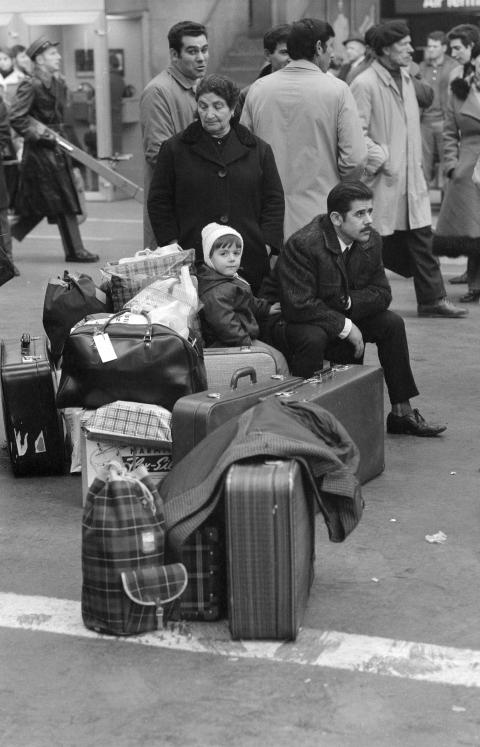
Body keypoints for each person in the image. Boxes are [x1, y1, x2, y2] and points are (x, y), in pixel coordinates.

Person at [274, 181, 446, 437]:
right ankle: (304, 420)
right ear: (336, 218)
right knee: (314, 336)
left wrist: (348, 303)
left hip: (340, 312)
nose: (369, 220)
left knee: (392, 324)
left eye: (370, 211)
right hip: (297, 319)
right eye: (359, 214)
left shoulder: (370, 240)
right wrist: (346, 326)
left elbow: (382, 294)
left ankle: (402, 413)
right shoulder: (304, 244)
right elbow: (298, 304)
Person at [350, 21, 466, 318]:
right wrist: (382, 159)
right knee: (374, 244)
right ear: (385, 49)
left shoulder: (406, 77)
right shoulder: (364, 83)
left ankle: (432, 299)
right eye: (403, 45)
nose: (410, 49)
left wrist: (411, 73)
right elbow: (356, 133)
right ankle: (362, 302)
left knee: (422, 240)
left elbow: (427, 98)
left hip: (411, 178)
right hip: (385, 180)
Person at [147, 74, 284, 294]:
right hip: (193, 256)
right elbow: (159, 201)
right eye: (203, 106)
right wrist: (172, 246)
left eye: (218, 106)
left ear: (232, 109)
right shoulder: (175, 149)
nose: (209, 114)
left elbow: (274, 200)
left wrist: (266, 245)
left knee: (250, 318)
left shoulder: (259, 150)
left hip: (246, 255)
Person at [240, 18, 367, 241]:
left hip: (266, 215)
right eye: (331, 47)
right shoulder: (337, 90)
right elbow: (354, 160)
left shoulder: (258, 90)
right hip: (322, 212)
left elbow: (242, 152)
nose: (333, 55)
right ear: (319, 47)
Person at [8, 37, 98, 263]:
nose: (58, 57)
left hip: (57, 151)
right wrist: (42, 136)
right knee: (60, 201)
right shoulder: (31, 84)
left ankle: (5, 240)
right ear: (38, 59)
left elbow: (63, 120)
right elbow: (17, 118)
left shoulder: (57, 83)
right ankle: (75, 250)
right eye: (52, 54)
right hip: (40, 156)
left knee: (40, 208)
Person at [140, 21, 209, 249]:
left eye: (204, 49)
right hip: (173, 210)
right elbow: (158, 155)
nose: (201, 57)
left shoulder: (202, 87)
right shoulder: (158, 91)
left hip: (198, 205)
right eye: (192, 51)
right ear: (174, 54)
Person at [432, 43, 480, 303]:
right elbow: (449, 132)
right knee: (473, 229)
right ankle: (476, 284)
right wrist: (451, 165)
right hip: (468, 165)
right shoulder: (459, 91)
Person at [197, 222, 284, 357]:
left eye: (236, 253)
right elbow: (227, 327)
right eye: (223, 254)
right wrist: (248, 345)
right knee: (278, 359)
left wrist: (266, 309)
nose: (232, 259)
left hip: (243, 336)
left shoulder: (230, 278)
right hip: (226, 345)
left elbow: (247, 300)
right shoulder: (214, 292)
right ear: (209, 257)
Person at [419, 31, 458, 188]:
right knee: (423, 165)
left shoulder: (453, 66)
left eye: (435, 46)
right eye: (429, 46)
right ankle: (423, 207)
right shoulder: (421, 67)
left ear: (444, 47)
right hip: (424, 122)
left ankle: (447, 204)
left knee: (448, 163)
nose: (431, 49)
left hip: (445, 120)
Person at [237, 24, 291, 111]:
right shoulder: (249, 95)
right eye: (285, 52)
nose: (291, 59)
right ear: (267, 55)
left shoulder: (311, 90)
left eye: (295, 52)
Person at [109, 53, 126, 155]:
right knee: (116, 146)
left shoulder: (105, 79)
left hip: (107, 115)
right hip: (117, 113)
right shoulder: (120, 80)